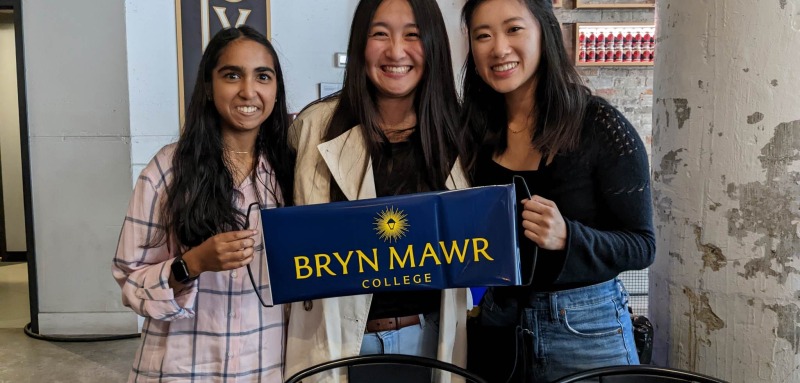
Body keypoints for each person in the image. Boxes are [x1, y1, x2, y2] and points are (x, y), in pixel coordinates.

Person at [459, 0, 655, 382]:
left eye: (514, 29)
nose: (499, 48)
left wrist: (569, 237)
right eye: (483, 35)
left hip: (588, 331)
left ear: (544, 32)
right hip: (495, 328)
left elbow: (642, 245)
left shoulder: (599, 125)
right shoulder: (472, 131)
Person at [283, 0, 469, 381]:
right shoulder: (314, 127)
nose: (396, 51)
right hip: (333, 345)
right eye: (379, 33)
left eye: (413, 34)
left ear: (433, 43)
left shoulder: (461, 132)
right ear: (359, 45)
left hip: (430, 339)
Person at [112, 25, 295, 383]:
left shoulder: (292, 171)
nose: (248, 90)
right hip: (183, 369)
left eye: (263, 76)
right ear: (209, 88)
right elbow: (129, 279)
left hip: (267, 367)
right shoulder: (168, 170)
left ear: (275, 90)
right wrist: (192, 263)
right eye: (232, 75)